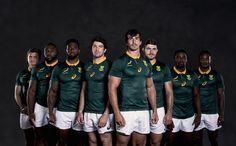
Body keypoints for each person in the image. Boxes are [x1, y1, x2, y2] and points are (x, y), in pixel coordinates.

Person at [108, 29, 158, 146]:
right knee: (122, 143)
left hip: (143, 110)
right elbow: (112, 88)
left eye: (136, 38)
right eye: (131, 38)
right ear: (126, 42)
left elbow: (150, 87)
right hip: (125, 110)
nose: (134, 41)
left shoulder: (146, 63)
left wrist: (154, 110)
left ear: (141, 42)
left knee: (140, 144)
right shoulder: (120, 62)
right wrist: (117, 112)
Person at [77, 36, 113, 146]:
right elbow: (83, 89)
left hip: (102, 111)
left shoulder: (110, 65)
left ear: (105, 49)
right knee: (91, 141)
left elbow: (113, 92)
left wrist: (106, 113)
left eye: (100, 46)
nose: (97, 49)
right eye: (94, 46)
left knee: (105, 141)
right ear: (91, 48)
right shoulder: (87, 65)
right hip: (88, 111)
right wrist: (80, 111)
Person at [48, 39, 84, 146]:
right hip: (63, 111)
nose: (72, 49)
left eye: (74, 47)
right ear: (66, 50)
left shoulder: (85, 67)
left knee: (79, 142)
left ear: (79, 50)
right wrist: (50, 112)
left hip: (79, 111)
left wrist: (83, 110)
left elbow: (88, 89)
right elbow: (52, 92)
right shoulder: (58, 68)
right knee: (63, 142)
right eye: (69, 48)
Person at [166, 49, 201, 146]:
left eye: (183, 57)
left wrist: (199, 114)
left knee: (189, 142)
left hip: (188, 115)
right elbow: (165, 95)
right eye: (178, 57)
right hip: (173, 115)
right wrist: (168, 115)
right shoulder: (169, 73)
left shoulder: (192, 74)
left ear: (186, 60)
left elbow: (196, 95)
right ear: (174, 59)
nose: (181, 59)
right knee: (169, 141)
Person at [27, 43, 59, 146]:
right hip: (40, 105)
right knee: (39, 136)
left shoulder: (61, 67)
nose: (49, 53)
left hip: (57, 107)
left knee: (54, 137)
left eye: (51, 50)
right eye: (47, 51)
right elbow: (31, 91)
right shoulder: (37, 68)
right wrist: (31, 111)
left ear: (57, 52)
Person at [143, 39, 173, 146]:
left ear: (157, 51)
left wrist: (169, 113)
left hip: (159, 108)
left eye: (154, 49)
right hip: (139, 108)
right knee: (139, 142)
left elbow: (169, 92)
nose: (151, 51)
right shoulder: (137, 65)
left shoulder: (164, 67)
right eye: (148, 48)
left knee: (155, 142)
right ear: (143, 50)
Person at [193, 50, 225, 146]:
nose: (204, 61)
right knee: (197, 141)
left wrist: (222, 114)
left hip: (212, 113)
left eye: (207, 59)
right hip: (197, 113)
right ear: (199, 60)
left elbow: (221, 95)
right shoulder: (193, 74)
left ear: (210, 60)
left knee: (213, 140)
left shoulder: (216, 75)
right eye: (202, 59)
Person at [15, 48, 41, 146]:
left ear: (39, 59)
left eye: (35, 57)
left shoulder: (42, 72)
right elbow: (17, 93)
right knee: (29, 139)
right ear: (27, 58)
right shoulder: (22, 73)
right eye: (30, 56)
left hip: (39, 110)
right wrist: (22, 106)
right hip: (25, 110)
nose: (32, 59)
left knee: (40, 139)